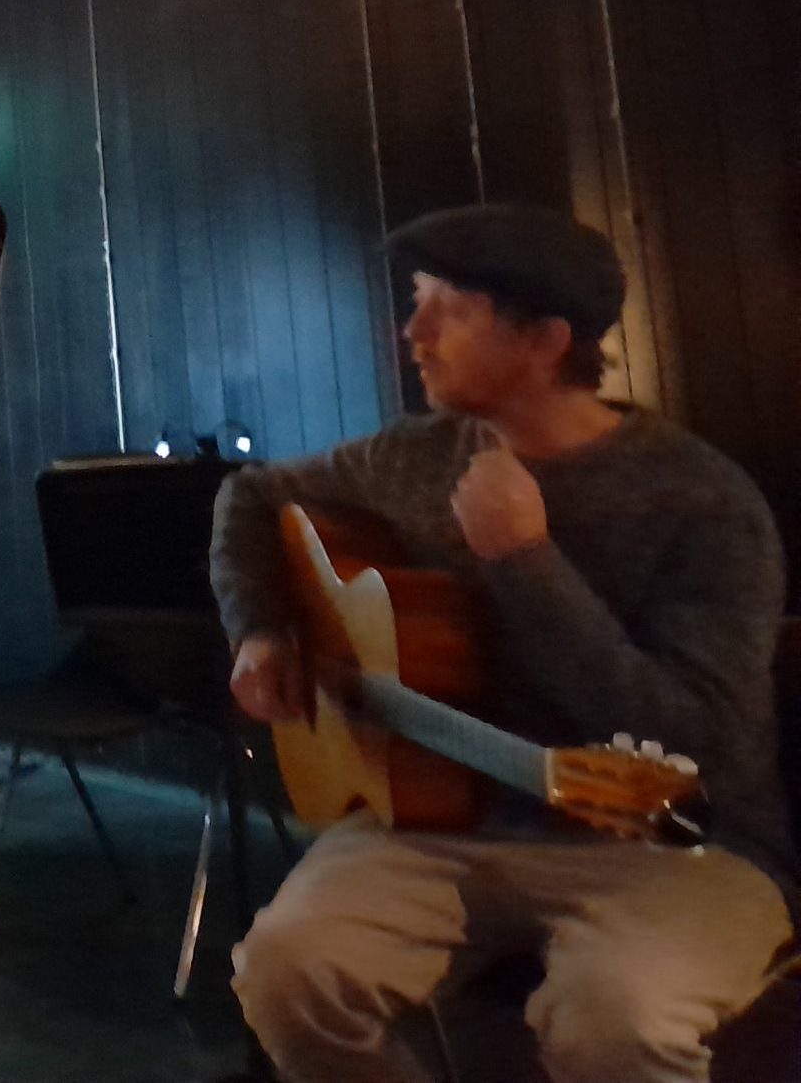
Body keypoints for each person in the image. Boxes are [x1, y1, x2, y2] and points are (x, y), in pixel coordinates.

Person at [211, 204, 793, 1083]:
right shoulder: (416, 455)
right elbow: (249, 498)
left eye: (446, 309)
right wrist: (258, 630)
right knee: (286, 969)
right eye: (417, 303)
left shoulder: (703, 501)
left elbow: (695, 741)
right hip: (444, 822)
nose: (412, 333)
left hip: (680, 844)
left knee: (615, 1022)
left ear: (544, 341)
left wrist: (523, 558)